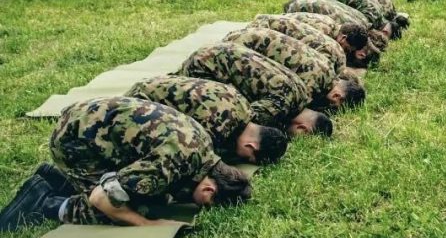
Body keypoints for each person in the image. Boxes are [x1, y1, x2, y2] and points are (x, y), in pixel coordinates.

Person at [0, 97, 251, 230]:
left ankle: (56, 178)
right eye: (205, 203)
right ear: (209, 189)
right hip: (74, 143)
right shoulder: (171, 165)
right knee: (124, 208)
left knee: (150, 193)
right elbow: (102, 198)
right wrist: (147, 225)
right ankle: (44, 202)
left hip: (88, 122)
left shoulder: (204, 147)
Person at [127, 76, 288, 164]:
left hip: (151, 84)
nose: (242, 158)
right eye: (247, 157)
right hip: (139, 102)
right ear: (250, 146)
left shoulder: (244, 107)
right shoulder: (217, 130)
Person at [178, 42, 329, 136]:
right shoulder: (280, 106)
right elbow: (241, 120)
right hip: (204, 64)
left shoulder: (302, 91)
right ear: (303, 128)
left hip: (220, 48)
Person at [221, 27, 364, 110]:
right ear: (337, 96)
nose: (331, 106)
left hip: (252, 33)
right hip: (239, 44)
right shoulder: (311, 84)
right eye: (335, 106)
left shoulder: (328, 69)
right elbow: (287, 104)